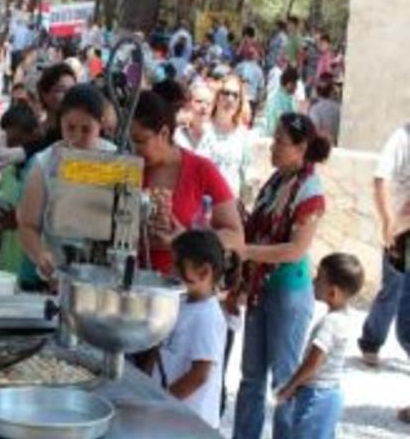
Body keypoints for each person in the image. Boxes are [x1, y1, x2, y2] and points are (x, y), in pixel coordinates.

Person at [232, 112, 332, 439]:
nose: (273, 147)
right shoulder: (277, 182)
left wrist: (247, 252)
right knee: (250, 379)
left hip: (287, 293)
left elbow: (295, 249)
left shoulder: (310, 190)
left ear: (301, 148)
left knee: (284, 381)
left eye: (280, 141)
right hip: (263, 288)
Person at [129, 91, 243, 275]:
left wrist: (188, 240)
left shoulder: (202, 170)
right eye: (128, 141)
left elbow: (236, 237)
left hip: (183, 287)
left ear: (164, 133)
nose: (133, 148)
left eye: (140, 141)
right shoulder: (126, 166)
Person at [17, 83, 117, 285]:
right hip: (57, 277)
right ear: (60, 122)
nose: (77, 137)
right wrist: (40, 255)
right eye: (70, 128)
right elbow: (27, 224)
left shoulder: (116, 160)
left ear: (101, 125)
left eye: (86, 129)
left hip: (105, 276)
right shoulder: (44, 163)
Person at [277, 253, 364, 439]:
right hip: (328, 395)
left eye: (319, 278)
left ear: (333, 292)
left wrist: (290, 386)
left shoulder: (330, 323)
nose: (314, 281)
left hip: (316, 398)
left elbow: (313, 362)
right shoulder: (344, 319)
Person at [149, 230, 228, 429]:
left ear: (203, 272)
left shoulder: (207, 317)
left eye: (177, 265)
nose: (170, 271)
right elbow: (160, 348)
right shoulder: (181, 302)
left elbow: (199, 375)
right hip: (170, 414)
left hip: (190, 423)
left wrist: (163, 401)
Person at [358, 123, 410, 367]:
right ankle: (372, 340)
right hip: (401, 231)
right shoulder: (401, 138)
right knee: (394, 288)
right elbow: (382, 180)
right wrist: (389, 221)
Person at [0, 101, 43, 281]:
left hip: (32, 268)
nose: (12, 147)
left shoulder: (41, 171)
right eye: (9, 141)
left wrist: (17, 219)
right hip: (6, 266)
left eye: (18, 141)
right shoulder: (7, 171)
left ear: (34, 136)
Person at [197, 75, 252, 198]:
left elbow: (245, 177)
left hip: (230, 207)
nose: (230, 99)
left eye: (235, 95)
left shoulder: (243, 134)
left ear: (239, 102)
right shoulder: (203, 129)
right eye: (226, 93)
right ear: (217, 98)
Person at [174, 82, 214, 151]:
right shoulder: (177, 136)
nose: (204, 106)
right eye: (199, 101)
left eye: (208, 103)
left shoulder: (215, 136)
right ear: (188, 104)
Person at [264, 67, 299, 136]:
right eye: (295, 84)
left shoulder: (290, 98)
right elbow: (283, 118)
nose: (296, 87)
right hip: (276, 138)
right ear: (289, 83)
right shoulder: (276, 97)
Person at [308, 74, 341, 145]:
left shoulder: (315, 109)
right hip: (336, 146)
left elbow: (313, 131)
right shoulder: (339, 108)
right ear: (331, 90)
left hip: (321, 148)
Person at [234, 47, 265, 117]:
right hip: (252, 99)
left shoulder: (239, 66)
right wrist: (259, 104)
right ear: (255, 57)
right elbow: (261, 89)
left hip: (240, 97)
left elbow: (233, 80)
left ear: (245, 55)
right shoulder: (259, 70)